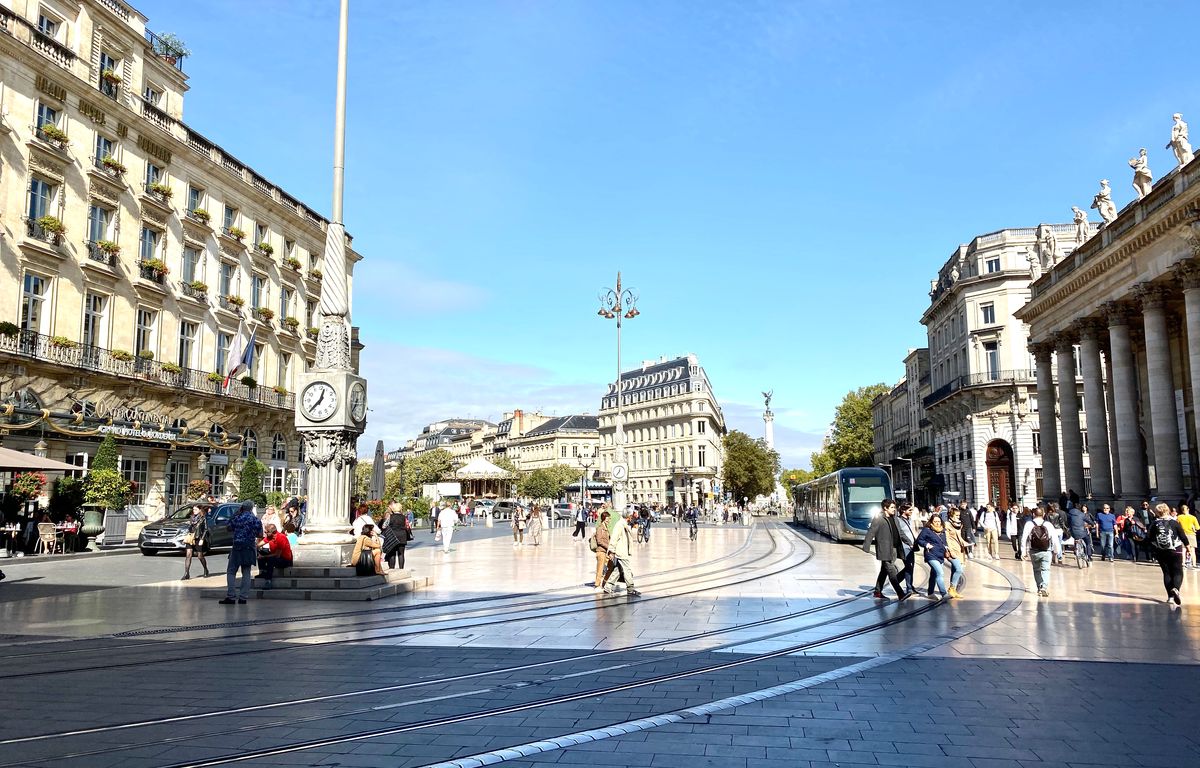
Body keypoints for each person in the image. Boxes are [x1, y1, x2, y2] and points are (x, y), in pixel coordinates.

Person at [862, 499, 909, 600]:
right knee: (891, 571)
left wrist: (909, 542)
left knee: (884, 570)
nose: (894, 509)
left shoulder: (895, 518)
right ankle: (900, 594)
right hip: (884, 549)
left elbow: (900, 532)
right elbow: (871, 532)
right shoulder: (879, 518)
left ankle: (877, 591)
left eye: (894, 507)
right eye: (892, 507)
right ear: (885, 508)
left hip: (895, 549)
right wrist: (866, 546)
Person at [220, 500, 263, 605]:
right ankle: (243, 597)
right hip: (249, 547)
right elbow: (260, 534)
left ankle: (231, 596)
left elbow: (228, 528)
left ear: (242, 508)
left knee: (231, 571)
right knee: (246, 572)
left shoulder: (237, 518)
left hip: (237, 546)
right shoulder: (256, 520)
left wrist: (236, 514)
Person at [1148, 502, 1189, 605]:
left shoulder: (1154, 523)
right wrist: (1187, 547)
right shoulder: (1174, 522)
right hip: (1176, 550)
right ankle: (1176, 589)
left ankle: (1170, 598)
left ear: (1157, 512)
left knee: (1167, 573)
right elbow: (1182, 535)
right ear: (1168, 510)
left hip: (1161, 551)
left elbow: (1149, 538)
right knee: (1178, 571)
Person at [603, 510, 640, 596]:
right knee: (627, 570)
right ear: (628, 516)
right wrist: (611, 551)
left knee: (618, 570)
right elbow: (614, 538)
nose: (632, 518)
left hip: (623, 551)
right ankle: (630, 589)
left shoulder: (624, 524)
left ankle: (608, 587)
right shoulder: (619, 525)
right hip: (621, 552)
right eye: (631, 516)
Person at [1021, 506, 1054, 598]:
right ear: (1043, 514)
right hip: (1046, 550)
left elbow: (1024, 538)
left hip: (1033, 550)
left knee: (1036, 569)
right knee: (1045, 569)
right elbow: (1054, 538)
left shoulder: (1029, 524)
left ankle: (1039, 587)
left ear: (1033, 514)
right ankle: (1044, 586)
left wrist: (1023, 551)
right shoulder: (1048, 524)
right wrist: (1056, 551)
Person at [916, 515, 951, 599]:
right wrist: (926, 544)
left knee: (934, 574)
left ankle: (930, 593)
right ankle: (944, 593)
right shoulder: (927, 530)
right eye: (935, 521)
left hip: (940, 555)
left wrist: (946, 546)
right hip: (931, 555)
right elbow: (919, 540)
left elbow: (944, 541)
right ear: (931, 522)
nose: (937, 523)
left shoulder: (943, 531)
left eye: (939, 521)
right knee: (940, 573)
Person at [256, 523, 292, 588]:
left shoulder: (281, 537)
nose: (265, 533)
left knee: (271, 559)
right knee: (262, 553)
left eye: (266, 532)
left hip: (285, 560)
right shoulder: (269, 537)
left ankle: (268, 581)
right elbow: (259, 545)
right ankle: (262, 572)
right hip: (276, 556)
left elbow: (277, 555)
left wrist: (264, 556)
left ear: (272, 532)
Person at [181, 505, 211, 580]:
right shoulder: (192, 517)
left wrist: (202, 539)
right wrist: (186, 535)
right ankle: (186, 573)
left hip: (198, 538)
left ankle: (205, 569)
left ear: (200, 510)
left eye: (195, 509)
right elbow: (189, 528)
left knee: (200, 556)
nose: (194, 511)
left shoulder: (203, 518)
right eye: (193, 509)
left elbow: (206, 529)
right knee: (188, 555)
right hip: (191, 538)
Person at [944, 508, 968, 597]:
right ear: (951, 515)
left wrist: (966, 543)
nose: (958, 517)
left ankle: (953, 590)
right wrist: (950, 550)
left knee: (955, 569)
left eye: (959, 515)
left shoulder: (958, 524)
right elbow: (946, 539)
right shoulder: (947, 524)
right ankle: (952, 588)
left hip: (960, 550)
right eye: (956, 515)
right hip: (952, 550)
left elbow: (959, 537)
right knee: (959, 569)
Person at [896, 504, 918, 595]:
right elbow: (900, 534)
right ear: (903, 511)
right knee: (909, 567)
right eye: (909, 510)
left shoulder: (910, 520)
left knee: (910, 567)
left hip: (912, 546)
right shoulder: (898, 520)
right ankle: (907, 587)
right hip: (904, 547)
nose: (911, 512)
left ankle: (909, 586)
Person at [383, 502, 412, 569]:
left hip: (392, 536)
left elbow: (384, 526)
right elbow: (407, 527)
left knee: (392, 553)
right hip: (402, 536)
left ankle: (392, 568)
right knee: (401, 554)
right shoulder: (404, 517)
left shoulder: (390, 516)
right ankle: (401, 568)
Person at [591, 510, 611, 590]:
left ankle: (604, 583)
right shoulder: (600, 528)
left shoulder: (606, 528)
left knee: (611, 567)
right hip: (601, 551)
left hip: (606, 552)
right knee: (600, 569)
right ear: (604, 518)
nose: (609, 520)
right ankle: (597, 585)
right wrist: (608, 546)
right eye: (608, 518)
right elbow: (599, 541)